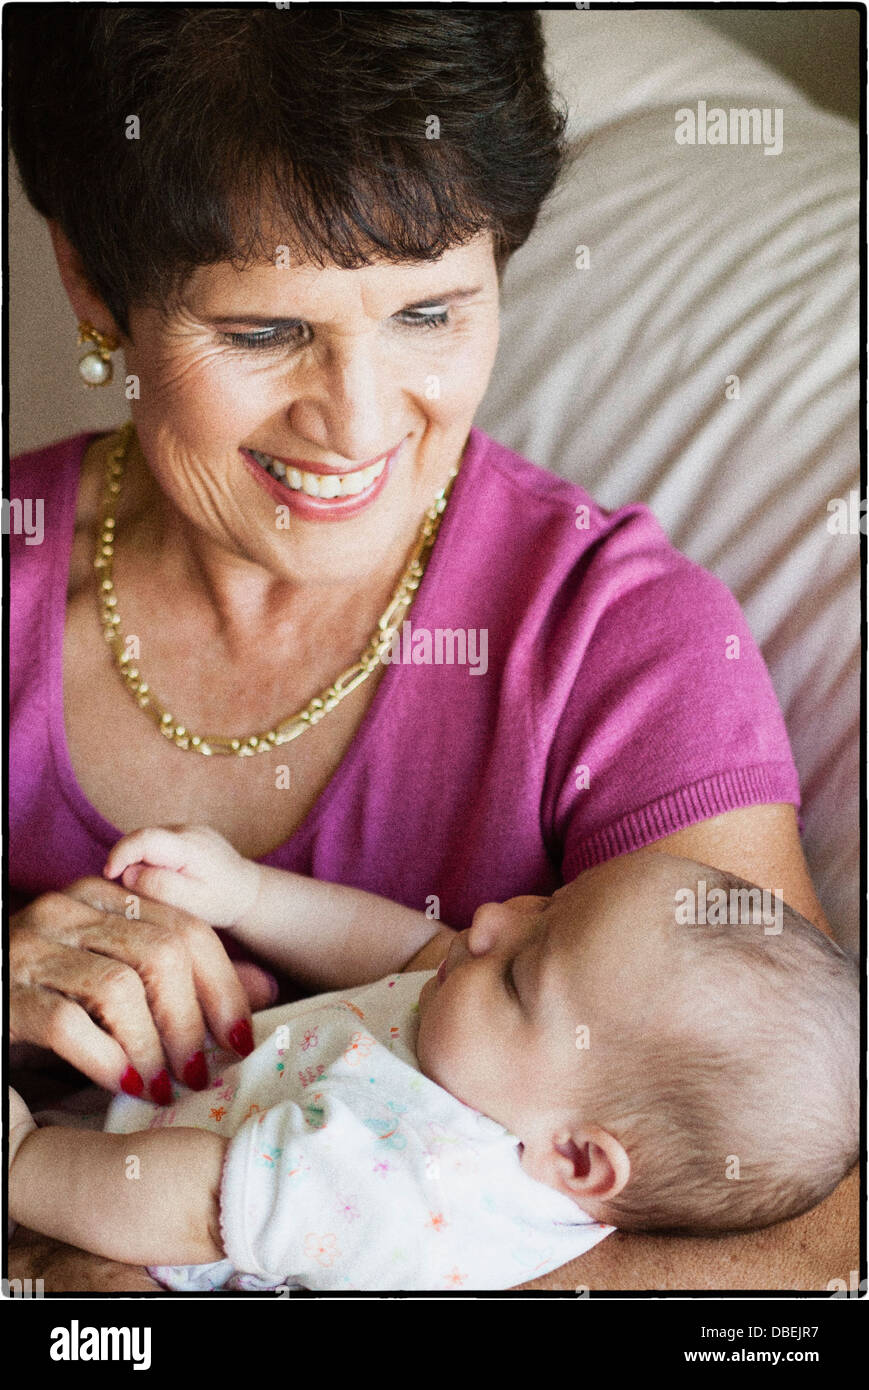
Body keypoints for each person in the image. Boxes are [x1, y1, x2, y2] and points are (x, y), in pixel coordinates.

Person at [6, 8, 854, 1292]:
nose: (355, 421)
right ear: (93, 286)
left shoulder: (617, 646)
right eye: (262, 332)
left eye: (430, 311)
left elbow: (800, 1233)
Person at [9, 841, 858, 1291]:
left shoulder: (423, 1179)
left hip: (108, 1222)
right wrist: (249, 898)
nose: (492, 920)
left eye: (523, 972)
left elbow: (191, 1200)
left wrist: (23, 1164)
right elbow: (412, 944)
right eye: (549, 906)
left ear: (573, 1159)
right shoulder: (510, 1062)